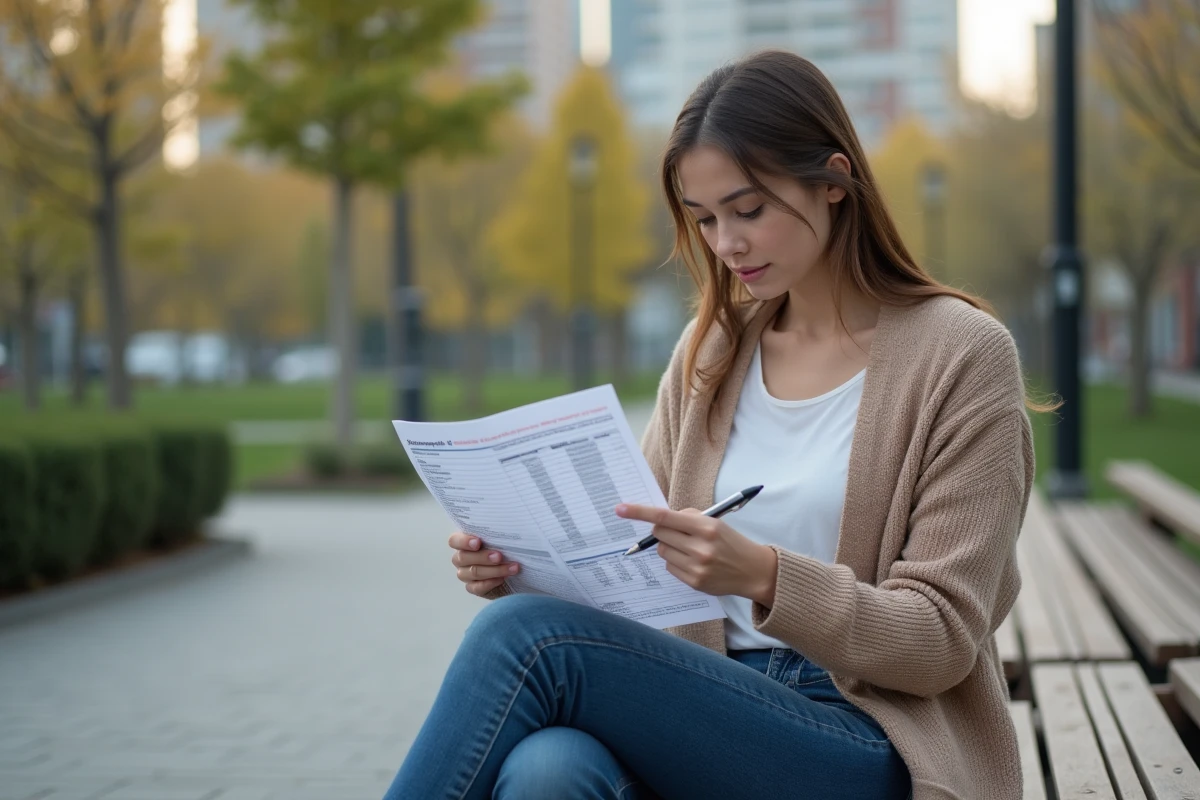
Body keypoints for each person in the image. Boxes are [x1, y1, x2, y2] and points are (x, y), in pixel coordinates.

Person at [384, 50, 1043, 800]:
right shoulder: (714, 352)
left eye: (748, 210)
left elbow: (940, 642)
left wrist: (764, 575)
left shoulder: (961, 355)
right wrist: (517, 570)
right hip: (704, 702)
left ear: (832, 182)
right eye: (704, 219)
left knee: (524, 642)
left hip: (871, 735)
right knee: (549, 769)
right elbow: (625, 576)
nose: (725, 244)